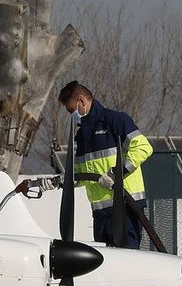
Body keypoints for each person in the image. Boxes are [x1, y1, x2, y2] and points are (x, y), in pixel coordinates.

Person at [57, 81, 154, 248]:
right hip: (101, 215)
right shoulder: (82, 135)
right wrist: (60, 180)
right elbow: (81, 175)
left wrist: (116, 173)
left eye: (71, 110)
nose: (71, 115)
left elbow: (143, 148)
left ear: (81, 101)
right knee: (106, 262)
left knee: (127, 260)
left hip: (125, 208)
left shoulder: (115, 121)